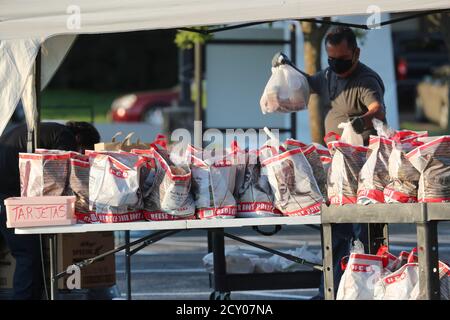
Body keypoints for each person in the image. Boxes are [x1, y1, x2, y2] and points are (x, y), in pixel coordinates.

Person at [273, 26, 387, 299]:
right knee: (337, 234)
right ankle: (334, 290)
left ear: (356, 54)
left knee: (363, 236)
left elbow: (377, 108)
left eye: (342, 59)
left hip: (364, 173)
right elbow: (307, 82)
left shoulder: (366, 80)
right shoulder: (327, 76)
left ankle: (364, 290)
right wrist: (286, 67)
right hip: (336, 169)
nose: (337, 65)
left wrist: (362, 121)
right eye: (331, 59)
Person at [0, 121, 100, 299]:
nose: (81, 155)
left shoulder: (51, 130)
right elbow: (62, 177)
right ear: (79, 139)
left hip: (8, 186)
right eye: (83, 151)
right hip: (9, 192)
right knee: (28, 254)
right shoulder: (65, 137)